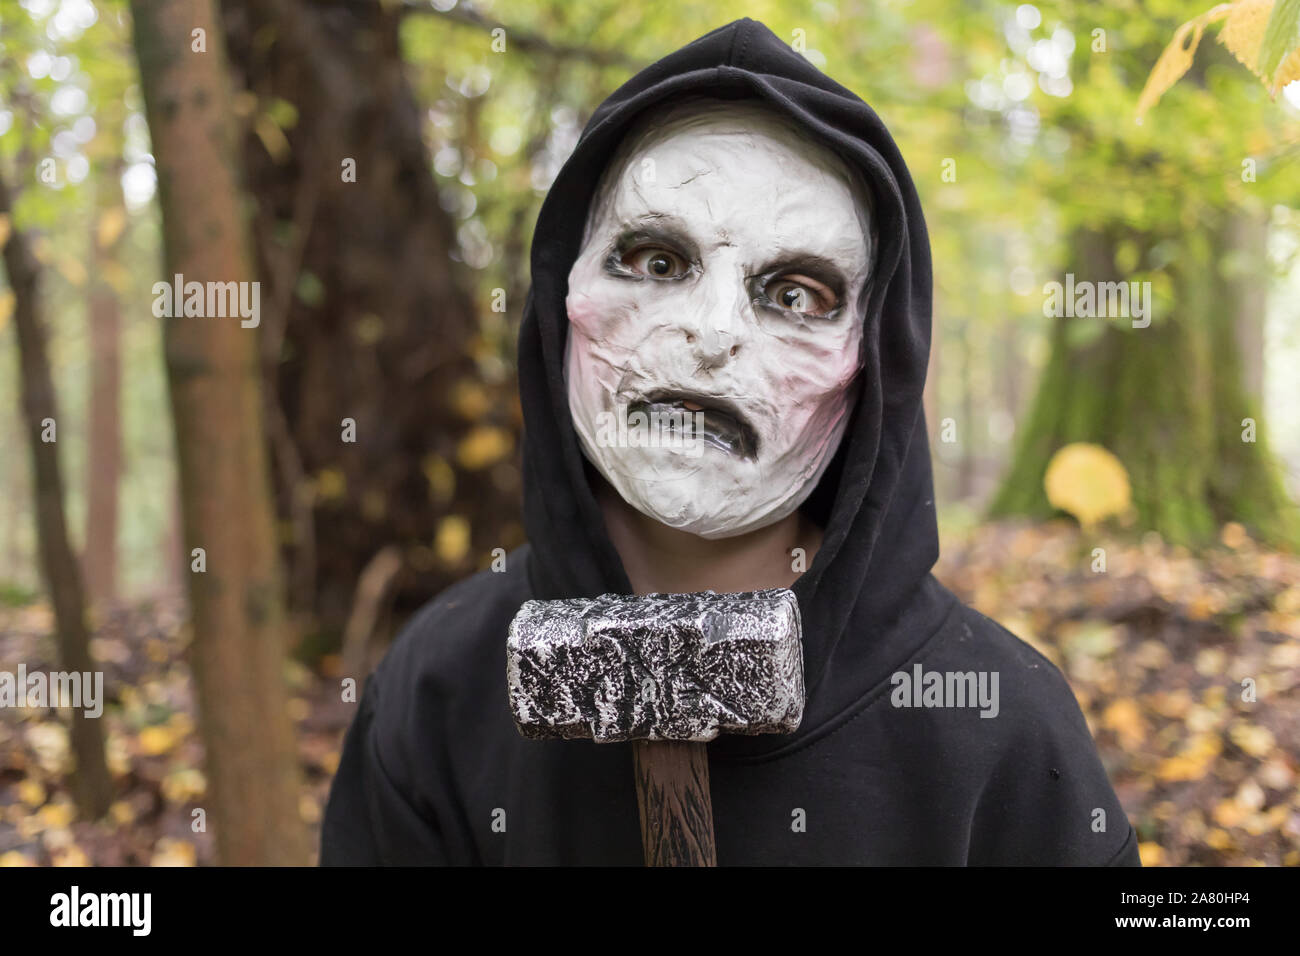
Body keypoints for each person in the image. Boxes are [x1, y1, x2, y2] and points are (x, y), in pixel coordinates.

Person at [320, 17, 1140, 866]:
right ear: (561, 304)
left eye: (795, 294)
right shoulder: (436, 692)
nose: (712, 335)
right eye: (657, 261)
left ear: (872, 365)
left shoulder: (1005, 731)